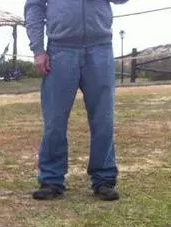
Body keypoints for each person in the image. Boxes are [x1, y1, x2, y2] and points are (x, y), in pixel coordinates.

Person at [25, 0, 129, 201]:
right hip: (60, 48)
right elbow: (34, 7)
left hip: (100, 48)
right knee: (54, 120)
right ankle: (51, 180)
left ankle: (104, 179)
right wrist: (38, 50)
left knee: (104, 119)